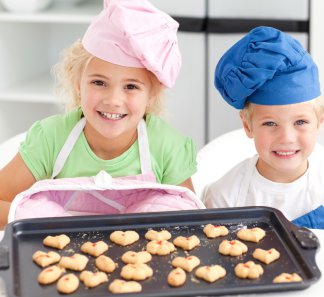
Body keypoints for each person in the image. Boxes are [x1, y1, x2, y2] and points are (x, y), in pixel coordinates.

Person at [0, 0, 199, 229]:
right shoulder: (50, 138)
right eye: (98, 82)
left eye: (131, 87)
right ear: (77, 84)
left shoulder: (167, 146)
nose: (113, 100)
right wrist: (46, 221)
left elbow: (190, 225)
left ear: (151, 95)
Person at [204, 26, 324, 232]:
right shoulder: (225, 196)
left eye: (300, 122)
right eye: (270, 124)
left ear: (320, 121)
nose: (286, 138)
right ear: (247, 125)